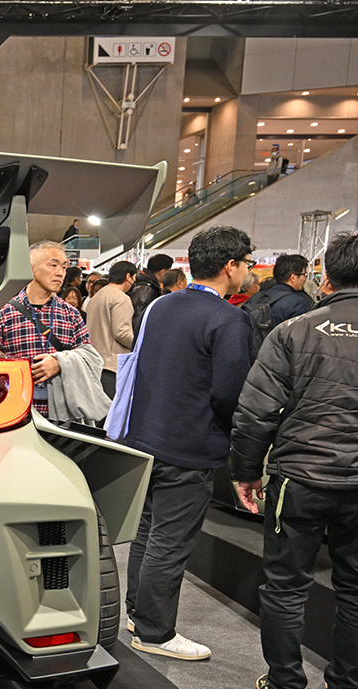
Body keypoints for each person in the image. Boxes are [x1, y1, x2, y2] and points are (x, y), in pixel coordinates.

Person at [231, 230, 358, 689]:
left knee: (286, 586)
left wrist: (245, 472)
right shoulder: (293, 329)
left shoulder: (294, 331)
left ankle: (285, 688)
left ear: (326, 277)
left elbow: (255, 413)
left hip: (298, 478)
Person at [117, 225, 256, 661]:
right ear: (230, 266)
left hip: (144, 435)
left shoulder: (161, 305)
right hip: (189, 443)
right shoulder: (229, 319)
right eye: (247, 263)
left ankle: (138, 614)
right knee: (170, 541)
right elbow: (230, 393)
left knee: (147, 532)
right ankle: (155, 632)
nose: (248, 270)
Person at [0, 241, 93, 417]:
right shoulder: (3, 313)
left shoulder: (71, 314)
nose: (60, 273)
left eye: (64, 267)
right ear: (31, 268)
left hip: (62, 414)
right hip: (16, 413)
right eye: (53, 265)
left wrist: (60, 362)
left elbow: (88, 358)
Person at [83, 260, 137, 398]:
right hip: (111, 364)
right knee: (111, 407)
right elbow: (121, 332)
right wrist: (138, 344)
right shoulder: (121, 298)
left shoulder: (98, 296)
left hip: (95, 361)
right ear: (128, 277)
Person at [245, 253, 312, 328]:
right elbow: (298, 332)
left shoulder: (256, 297)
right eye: (304, 275)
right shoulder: (297, 302)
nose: (304, 279)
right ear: (293, 277)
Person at [128, 253, 172, 337]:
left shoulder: (148, 284)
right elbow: (138, 316)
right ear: (162, 272)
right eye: (169, 271)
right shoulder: (145, 288)